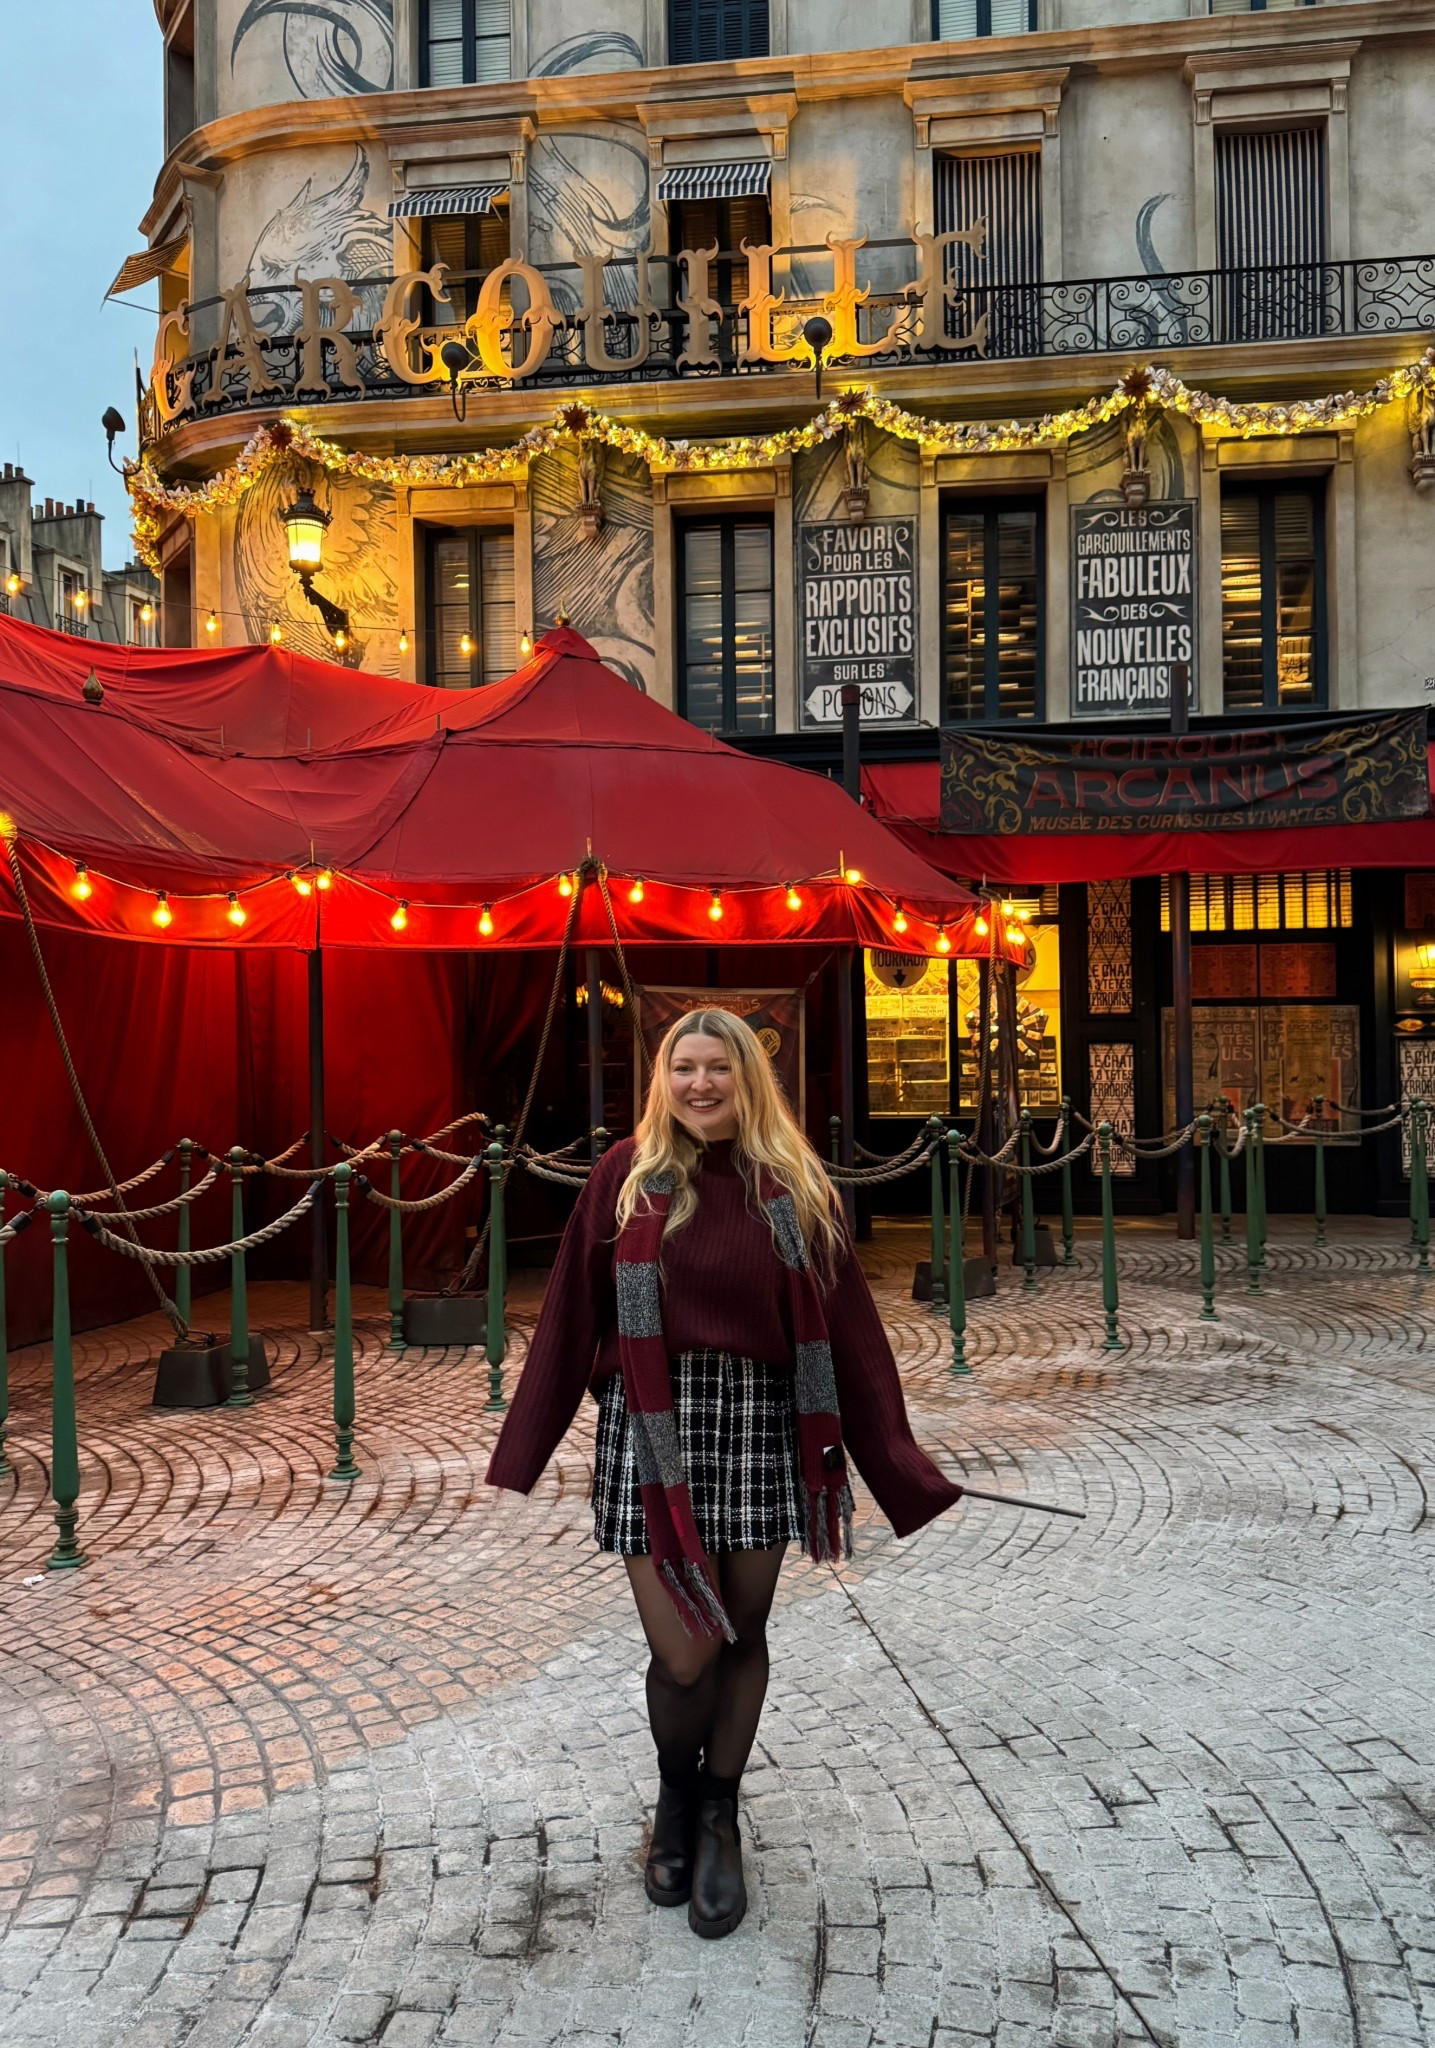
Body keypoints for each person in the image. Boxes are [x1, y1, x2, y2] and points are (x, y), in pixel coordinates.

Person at [485, 1009, 963, 1940]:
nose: (700, 1085)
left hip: (757, 1425)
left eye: (720, 1070)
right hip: (650, 1433)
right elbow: (568, 1319)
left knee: (741, 1633)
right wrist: (522, 1453)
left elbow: (851, 1336)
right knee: (684, 1649)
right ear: (662, 1079)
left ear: (750, 1080)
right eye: (683, 1069)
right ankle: (673, 1800)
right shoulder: (624, 1176)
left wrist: (899, 1466)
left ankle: (716, 1817)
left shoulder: (791, 1185)